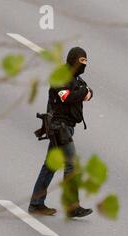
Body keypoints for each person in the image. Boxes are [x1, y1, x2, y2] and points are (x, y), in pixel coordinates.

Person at [28, 47, 93, 218]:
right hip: (59, 127)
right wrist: (83, 92)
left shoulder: (75, 78)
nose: (84, 64)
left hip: (68, 127)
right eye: (82, 61)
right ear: (73, 60)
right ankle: (72, 205)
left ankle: (36, 204)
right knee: (71, 163)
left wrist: (84, 92)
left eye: (86, 61)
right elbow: (66, 97)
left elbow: (89, 93)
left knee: (50, 165)